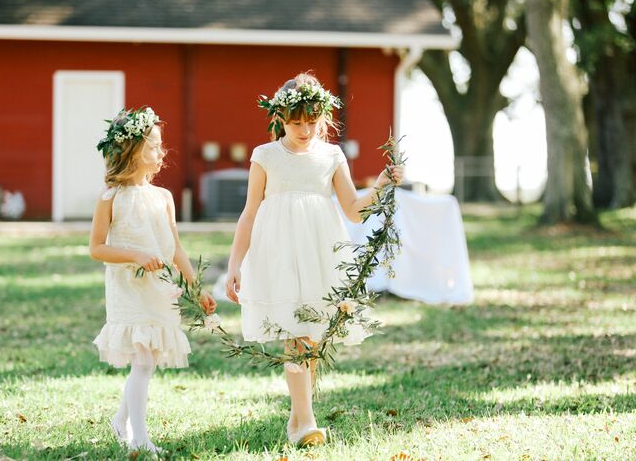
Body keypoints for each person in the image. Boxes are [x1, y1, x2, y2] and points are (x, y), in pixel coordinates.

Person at [225, 73, 403, 447]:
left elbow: (353, 210)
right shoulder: (266, 156)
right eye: (295, 121)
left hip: (320, 251)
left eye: (311, 121)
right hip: (278, 252)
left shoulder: (331, 156)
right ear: (280, 117)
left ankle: (298, 415)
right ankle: (304, 421)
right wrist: (235, 264)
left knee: (309, 336)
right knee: (297, 334)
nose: (304, 129)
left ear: (322, 117)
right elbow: (249, 212)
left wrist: (383, 183)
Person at [89, 107, 216, 453]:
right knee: (142, 362)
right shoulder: (110, 197)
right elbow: (97, 248)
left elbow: (175, 247)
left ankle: (120, 419)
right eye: (154, 146)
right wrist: (135, 255)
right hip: (129, 289)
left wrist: (195, 287)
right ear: (131, 151)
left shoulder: (164, 198)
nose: (162, 153)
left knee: (149, 360)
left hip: (160, 289)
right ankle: (140, 439)